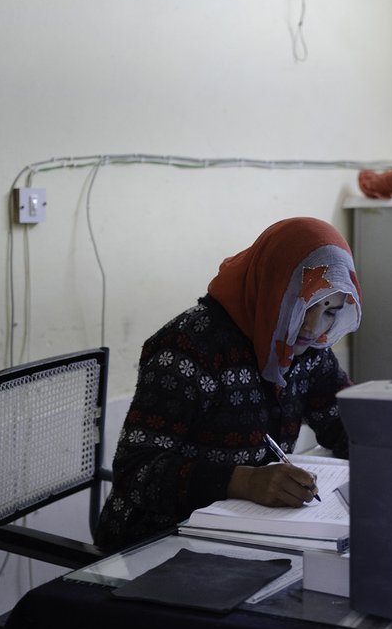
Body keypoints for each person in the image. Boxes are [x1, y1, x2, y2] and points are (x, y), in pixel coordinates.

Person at [95, 216, 362, 552]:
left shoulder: (306, 349)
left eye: (330, 311)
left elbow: (344, 422)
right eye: (304, 304)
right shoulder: (189, 347)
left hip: (244, 535)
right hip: (156, 541)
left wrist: (391, 452)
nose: (313, 327)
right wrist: (244, 481)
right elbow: (135, 470)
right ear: (274, 288)